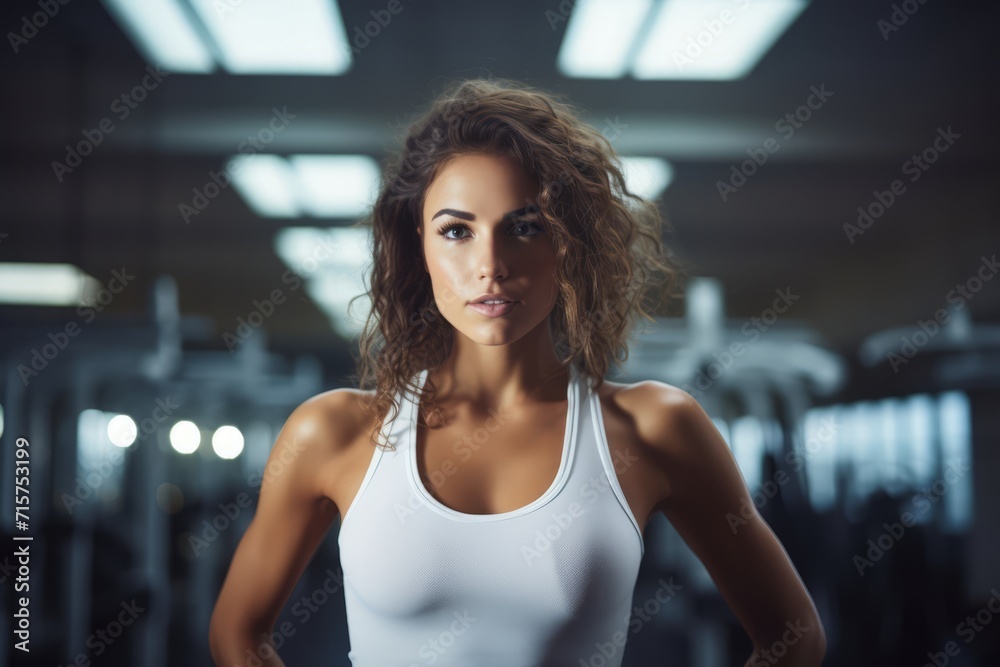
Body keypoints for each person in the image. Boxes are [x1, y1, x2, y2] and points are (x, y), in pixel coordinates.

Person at [209, 77, 826, 667]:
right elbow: (236, 634)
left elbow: (794, 638)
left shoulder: (654, 429)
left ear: (569, 244)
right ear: (417, 245)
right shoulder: (332, 432)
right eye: (457, 231)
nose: (491, 266)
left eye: (525, 227)